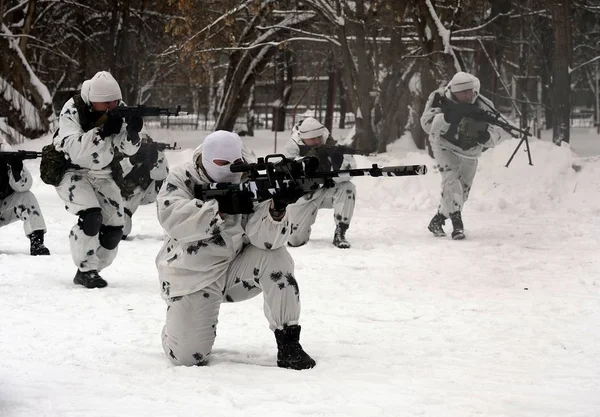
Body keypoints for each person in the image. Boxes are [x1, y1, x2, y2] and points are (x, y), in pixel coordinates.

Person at [156, 130, 315, 370]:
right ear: (207, 160)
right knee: (189, 358)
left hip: (235, 269)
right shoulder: (183, 177)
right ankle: (176, 327)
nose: (229, 169)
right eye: (221, 164)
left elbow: (268, 241)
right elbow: (171, 217)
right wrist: (218, 209)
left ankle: (288, 342)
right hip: (193, 277)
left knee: (276, 257)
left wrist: (277, 208)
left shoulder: (250, 177)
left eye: (234, 163)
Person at [54, 71, 143, 288]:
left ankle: (94, 268)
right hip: (72, 171)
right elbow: (74, 150)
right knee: (91, 216)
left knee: (115, 228)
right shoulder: (74, 109)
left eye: (115, 101)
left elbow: (127, 149)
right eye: (106, 103)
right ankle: (87, 270)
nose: (112, 106)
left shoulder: (118, 108)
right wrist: (102, 132)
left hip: (102, 172)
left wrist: (132, 133)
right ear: (94, 101)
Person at [420, 71, 503, 240]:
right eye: (464, 92)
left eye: (471, 90)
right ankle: (457, 225)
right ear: (454, 91)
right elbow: (426, 124)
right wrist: (446, 118)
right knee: (450, 180)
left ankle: (438, 220)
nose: (469, 94)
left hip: (470, 151)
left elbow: (498, 130)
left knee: (462, 191)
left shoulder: (483, 104)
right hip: (443, 144)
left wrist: (487, 137)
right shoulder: (438, 97)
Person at [282, 117, 357, 249]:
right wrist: (311, 165)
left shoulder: (330, 143)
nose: (317, 141)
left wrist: (331, 172)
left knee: (347, 188)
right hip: (303, 197)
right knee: (295, 241)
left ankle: (340, 232)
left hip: (326, 191)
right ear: (304, 138)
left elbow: (350, 168)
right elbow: (288, 174)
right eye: (313, 139)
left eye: (319, 137)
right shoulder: (292, 147)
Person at [111, 134, 169, 240]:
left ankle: (170, 228)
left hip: (148, 191)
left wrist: (154, 160)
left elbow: (161, 176)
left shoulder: (156, 153)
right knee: (121, 230)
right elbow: (114, 173)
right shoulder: (121, 151)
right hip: (126, 193)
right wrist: (130, 161)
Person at [0, 142, 50, 255]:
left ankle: (37, 242)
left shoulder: (6, 153)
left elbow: (24, 186)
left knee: (27, 197)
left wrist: (16, 168)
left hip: (3, 207)